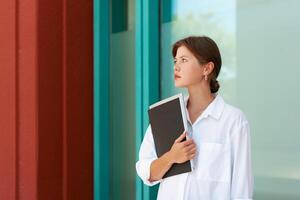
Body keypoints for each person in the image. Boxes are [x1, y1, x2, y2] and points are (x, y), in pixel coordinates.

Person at [136, 36, 253, 200]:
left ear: (207, 68)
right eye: (175, 61)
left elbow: (242, 189)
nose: (176, 66)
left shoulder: (233, 120)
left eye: (184, 60)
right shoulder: (164, 115)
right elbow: (145, 171)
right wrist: (171, 157)